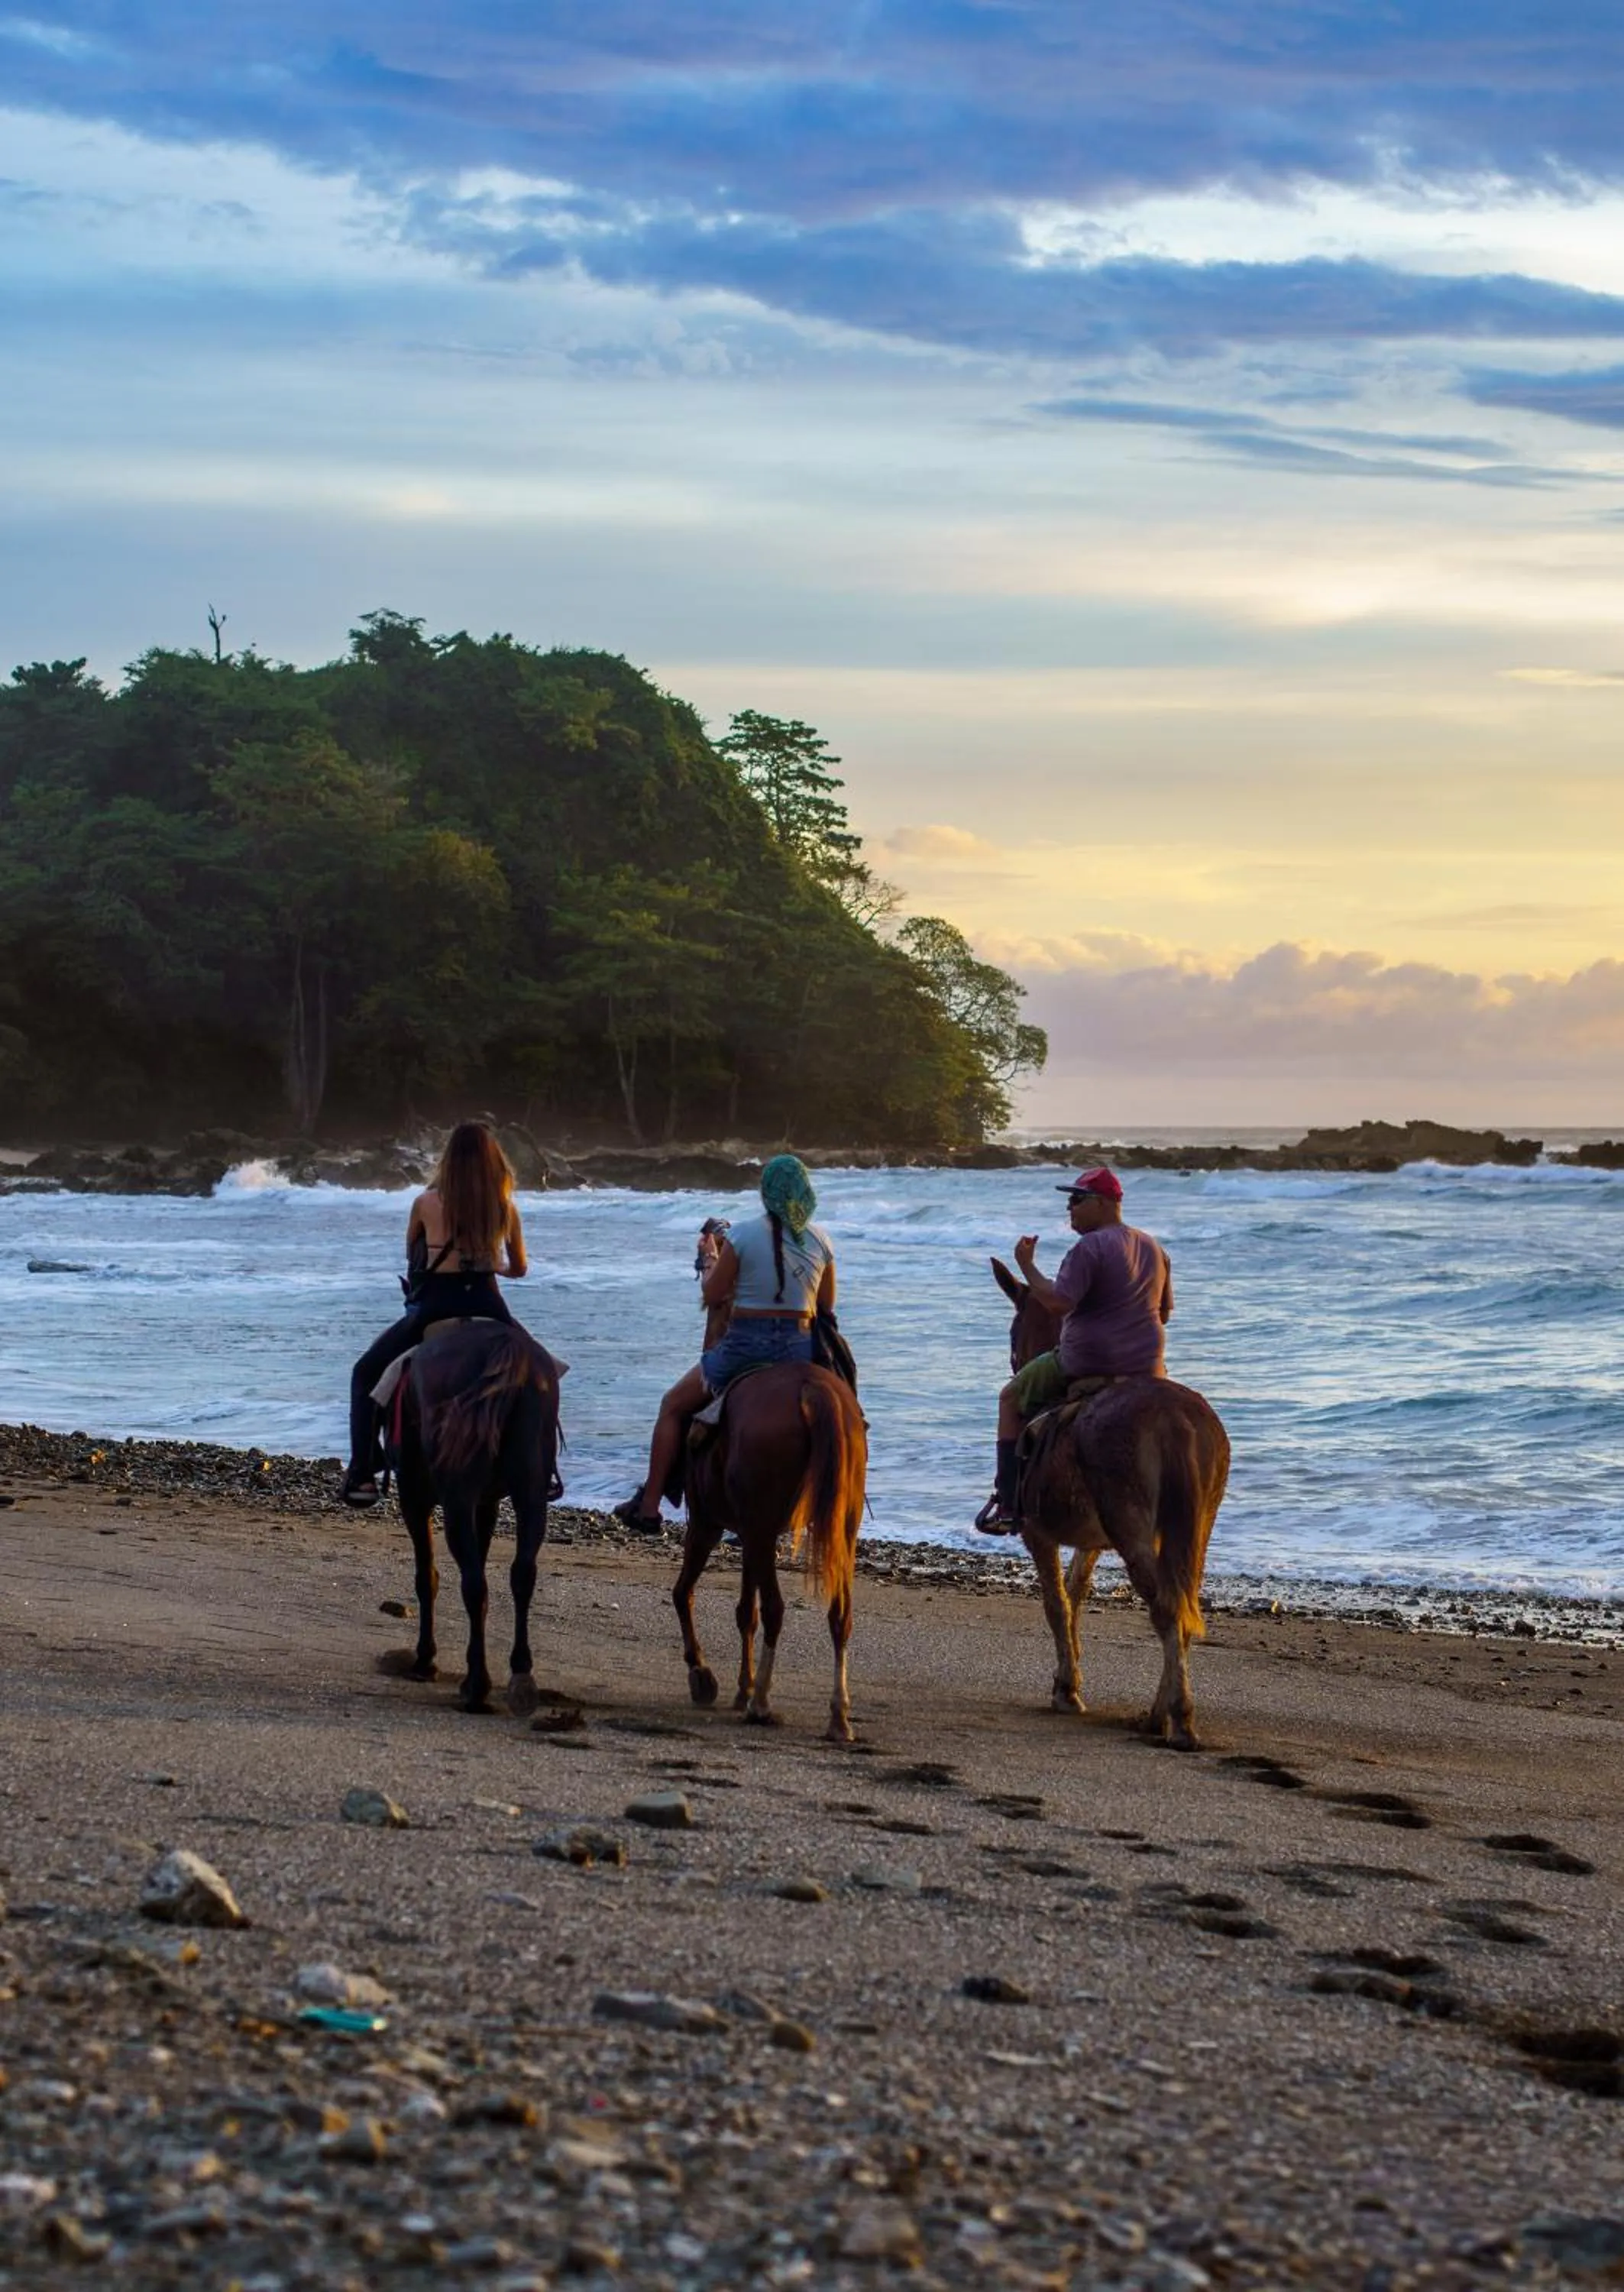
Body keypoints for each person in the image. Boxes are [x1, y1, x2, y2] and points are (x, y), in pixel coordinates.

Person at [613, 1152, 835, 1533]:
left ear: (767, 1192)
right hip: (801, 1350)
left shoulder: (743, 1234)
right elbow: (826, 1306)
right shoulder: (820, 1239)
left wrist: (710, 1261)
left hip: (746, 1348)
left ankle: (649, 1507)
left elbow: (713, 1296)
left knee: (672, 1405)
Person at [975, 1164, 1173, 1533]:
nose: (1070, 1209)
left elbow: (1057, 1303)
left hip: (1086, 1361)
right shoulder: (1154, 1247)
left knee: (1009, 1398)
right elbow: (1164, 1312)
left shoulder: (1090, 1247)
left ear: (1101, 1203)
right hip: (1149, 1367)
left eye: (1077, 1200)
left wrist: (1027, 1266)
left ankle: (1008, 1502)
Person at [341, 1120, 529, 1507]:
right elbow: (520, 1268)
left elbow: (414, 1255)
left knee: (365, 1373)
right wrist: (493, 1265)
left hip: (435, 1307)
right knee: (538, 1371)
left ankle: (362, 1472)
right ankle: (539, 1471)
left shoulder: (425, 1203)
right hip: (488, 1303)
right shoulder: (504, 1206)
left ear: (448, 1160)